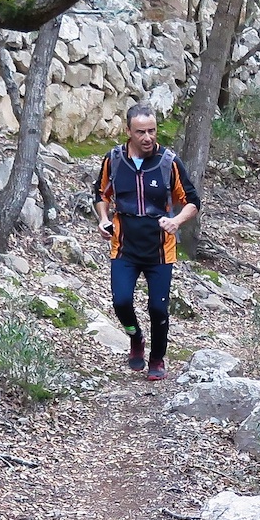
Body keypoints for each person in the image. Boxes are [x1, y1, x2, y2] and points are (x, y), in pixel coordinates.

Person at [96, 104, 200, 381]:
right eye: (140, 132)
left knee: (157, 308)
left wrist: (176, 222)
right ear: (128, 132)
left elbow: (193, 201)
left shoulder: (168, 162)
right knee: (120, 302)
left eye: (152, 131)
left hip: (159, 249)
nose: (147, 137)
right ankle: (135, 338)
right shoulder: (114, 160)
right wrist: (103, 219)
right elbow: (101, 194)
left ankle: (156, 358)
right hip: (124, 246)